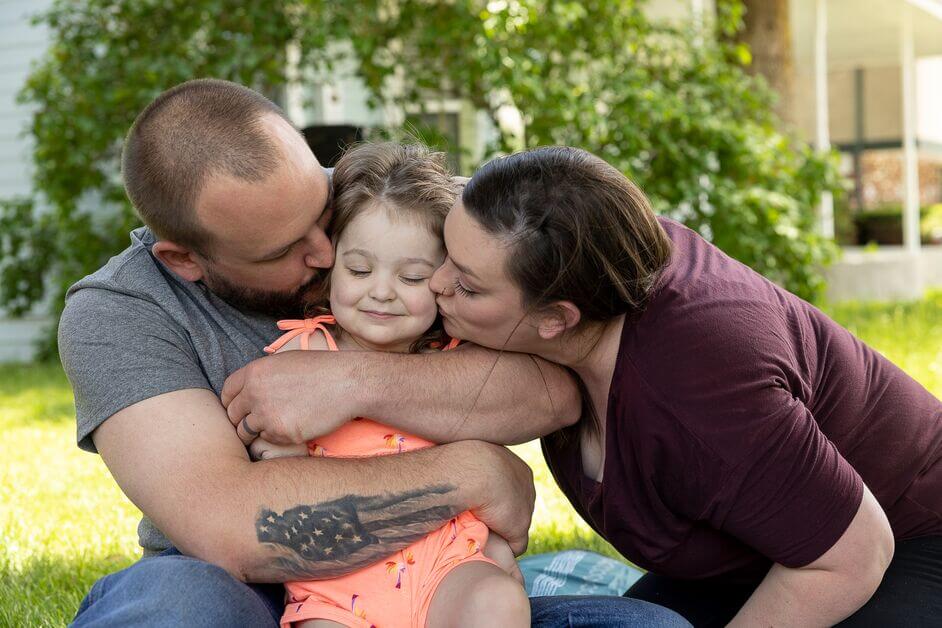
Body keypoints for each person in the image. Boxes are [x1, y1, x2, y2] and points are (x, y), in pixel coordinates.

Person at [60, 80, 688, 627]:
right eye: (284, 250)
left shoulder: (400, 210)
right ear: (185, 259)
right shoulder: (119, 312)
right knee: (178, 609)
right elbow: (232, 531)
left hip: (432, 576)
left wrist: (353, 381)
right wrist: (468, 472)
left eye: (322, 210)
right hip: (240, 596)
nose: (328, 253)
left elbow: (555, 390)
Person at [412, 145, 939, 627]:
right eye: (445, 256)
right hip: (757, 552)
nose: (436, 285)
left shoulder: (698, 389)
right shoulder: (581, 249)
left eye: (467, 285)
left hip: (901, 540)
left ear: (556, 318)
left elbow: (855, 551)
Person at [252, 141, 528, 627]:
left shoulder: (457, 364)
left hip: (447, 565)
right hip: (337, 583)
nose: (381, 291)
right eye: (360, 269)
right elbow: (270, 457)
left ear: (446, 278)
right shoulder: (305, 357)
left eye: (413, 277)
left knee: (496, 603)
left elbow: (487, 454)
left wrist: (496, 549)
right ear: (329, 267)